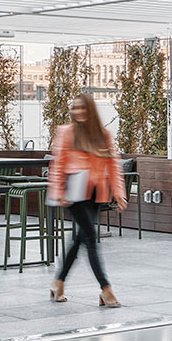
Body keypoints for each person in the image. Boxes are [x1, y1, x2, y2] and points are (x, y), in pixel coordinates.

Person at [49, 94, 127, 308]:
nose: (77, 112)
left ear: (90, 109)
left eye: (82, 108)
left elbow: (113, 165)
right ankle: (106, 289)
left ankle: (58, 282)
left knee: (79, 239)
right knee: (91, 239)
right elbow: (58, 164)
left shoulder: (103, 135)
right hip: (73, 192)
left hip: (95, 193)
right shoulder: (66, 133)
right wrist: (58, 192)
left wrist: (119, 193)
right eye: (74, 108)